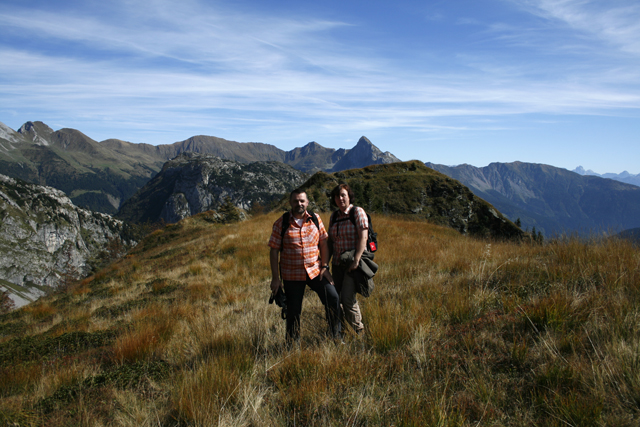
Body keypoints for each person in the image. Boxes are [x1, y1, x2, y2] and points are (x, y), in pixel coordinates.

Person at [268, 189, 341, 344]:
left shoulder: (315, 219)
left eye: (302, 201)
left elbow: (323, 243)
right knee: (293, 311)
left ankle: (336, 335)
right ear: (290, 203)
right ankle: (292, 345)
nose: (299, 204)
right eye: (295, 201)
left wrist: (325, 267)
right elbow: (274, 251)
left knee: (333, 297)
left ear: (307, 202)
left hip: (316, 271)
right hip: (291, 274)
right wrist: (276, 279)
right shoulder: (281, 223)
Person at [328, 183, 368, 335]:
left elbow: (363, 237)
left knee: (347, 299)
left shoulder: (357, 212)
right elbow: (331, 241)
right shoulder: (334, 216)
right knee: (335, 298)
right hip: (337, 264)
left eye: (343, 195)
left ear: (349, 196)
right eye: (337, 196)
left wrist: (357, 260)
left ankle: (359, 332)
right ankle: (340, 331)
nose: (340, 198)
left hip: (352, 264)